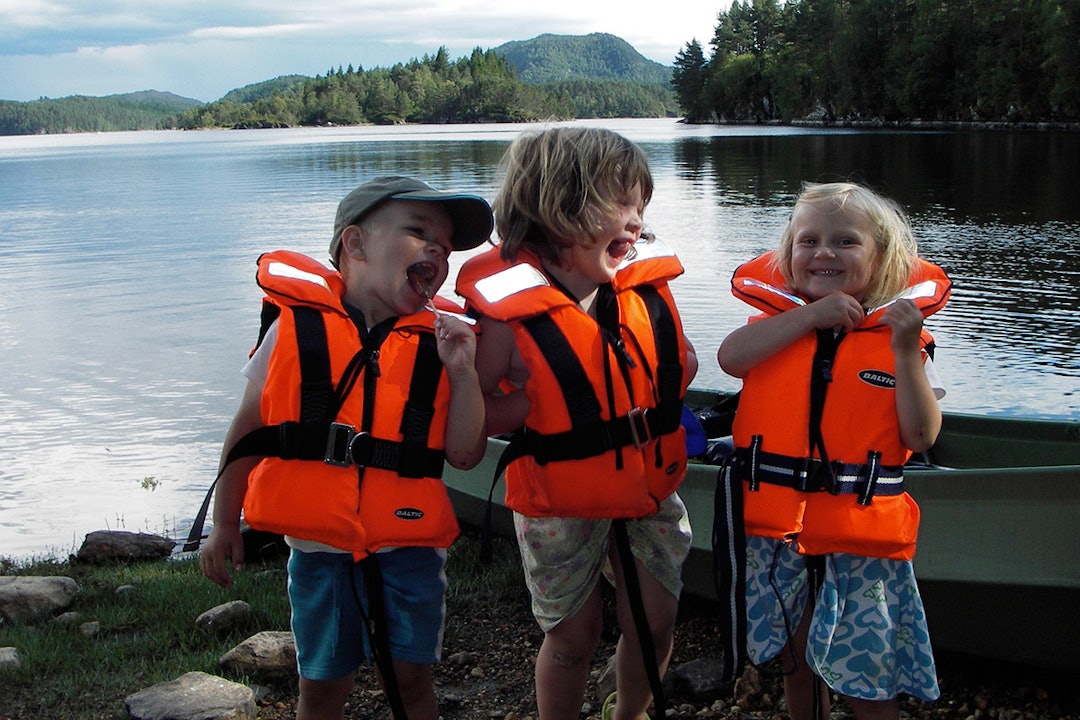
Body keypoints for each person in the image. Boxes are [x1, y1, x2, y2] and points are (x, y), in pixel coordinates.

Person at [199, 175, 492, 720]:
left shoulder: (439, 341)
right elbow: (248, 430)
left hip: (409, 546)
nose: (437, 250)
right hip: (319, 550)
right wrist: (223, 523)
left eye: (446, 248)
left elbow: (466, 454)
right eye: (418, 231)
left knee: (411, 679)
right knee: (324, 682)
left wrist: (464, 372)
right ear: (355, 245)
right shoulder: (295, 329)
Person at [455, 126, 697, 720]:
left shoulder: (641, 287)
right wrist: (537, 401)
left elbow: (677, 367)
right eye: (621, 203)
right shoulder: (511, 314)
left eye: (641, 205)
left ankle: (630, 712)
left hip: (647, 483)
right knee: (574, 637)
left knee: (657, 617)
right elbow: (478, 411)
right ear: (558, 203)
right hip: (557, 497)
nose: (636, 220)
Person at [717, 181, 950, 720]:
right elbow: (731, 358)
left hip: (860, 539)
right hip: (781, 535)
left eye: (845, 242)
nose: (823, 252)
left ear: (882, 258)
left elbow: (921, 436)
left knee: (867, 676)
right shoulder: (775, 329)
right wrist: (806, 319)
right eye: (808, 241)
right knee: (798, 663)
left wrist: (904, 353)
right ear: (788, 255)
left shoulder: (901, 339)